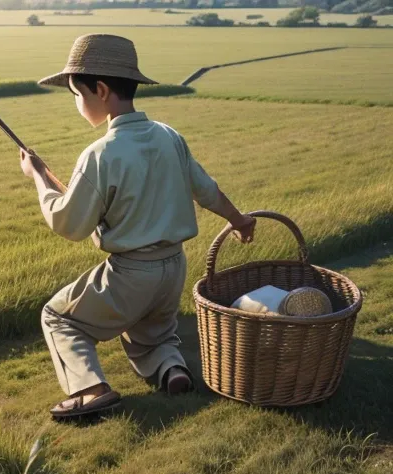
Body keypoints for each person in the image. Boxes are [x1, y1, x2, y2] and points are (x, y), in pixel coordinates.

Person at [19, 34, 256, 419]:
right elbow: (206, 190)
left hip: (132, 273)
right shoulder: (168, 136)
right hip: (173, 268)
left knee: (59, 317)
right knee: (153, 332)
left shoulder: (100, 154)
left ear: (99, 90)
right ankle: (171, 369)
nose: (77, 105)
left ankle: (89, 389)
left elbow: (69, 223)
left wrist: (38, 178)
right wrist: (239, 220)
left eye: (77, 95)